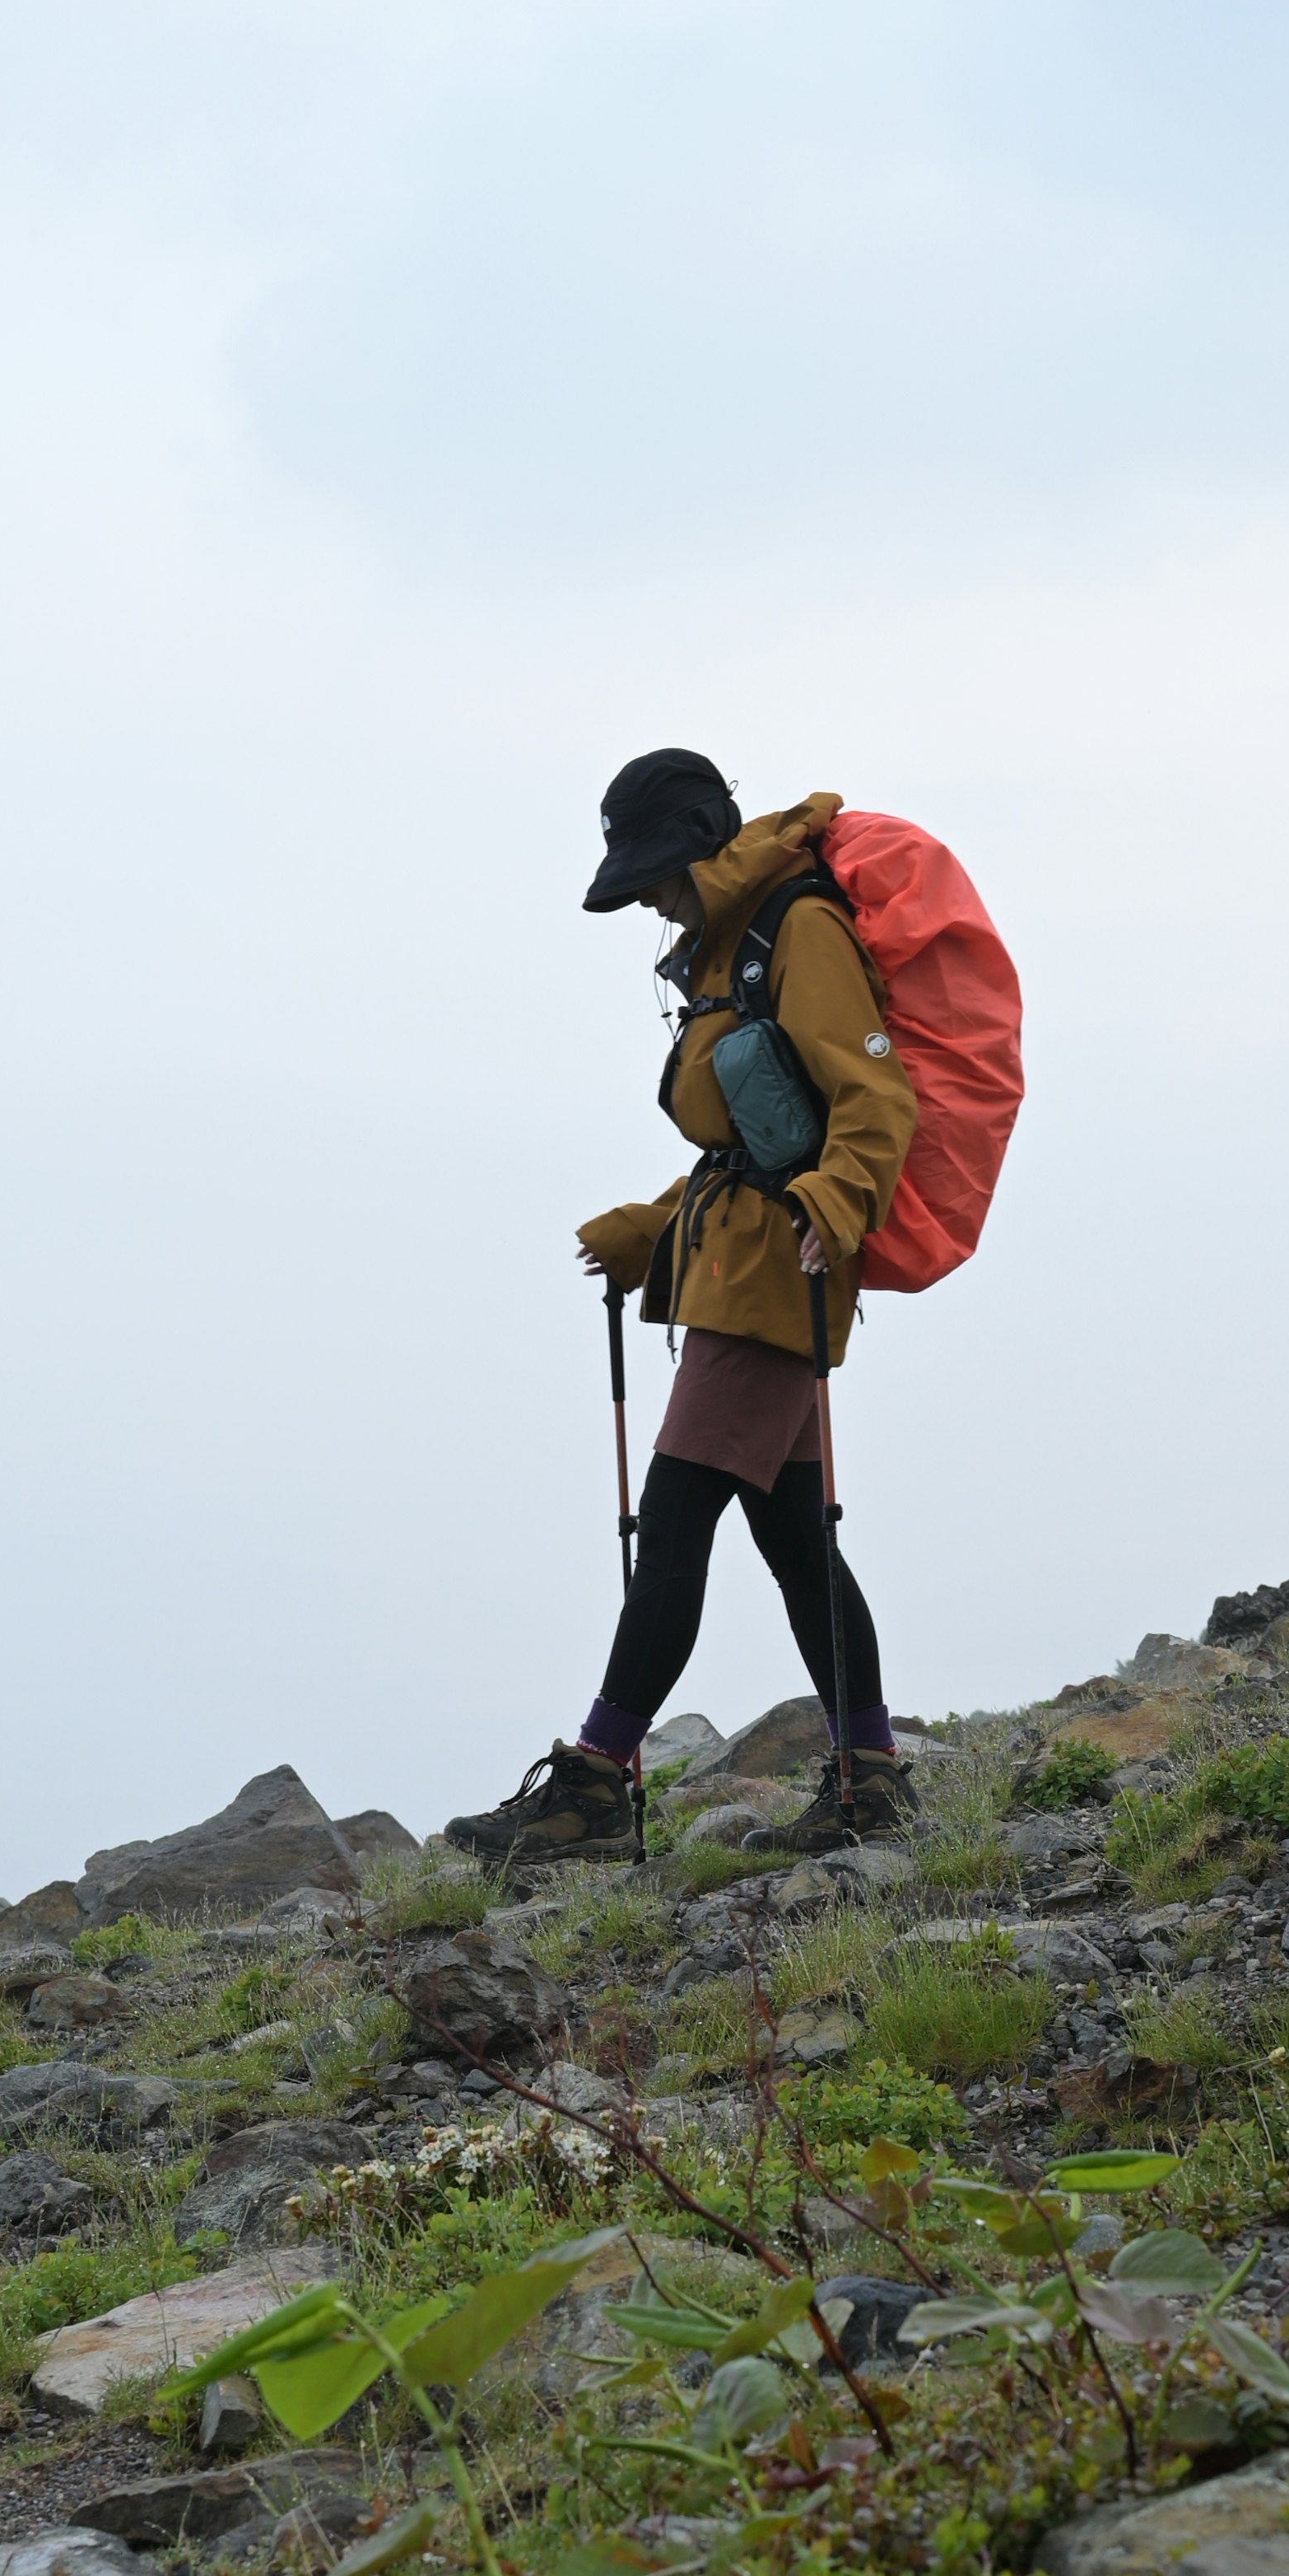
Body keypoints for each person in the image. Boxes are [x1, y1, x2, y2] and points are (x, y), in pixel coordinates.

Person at [448, 749, 918, 1871]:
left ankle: (595, 1790)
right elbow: (745, 1140)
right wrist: (650, 1234)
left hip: (774, 1278)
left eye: (656, 869)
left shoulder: (794, 930)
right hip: (741, 1268)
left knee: (672, 1527)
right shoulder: (729, 947)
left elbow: (872, 1095)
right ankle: (872, 1780)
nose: (647, 893)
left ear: (705, 841)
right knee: (797, 1543)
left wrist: (837, 1204)